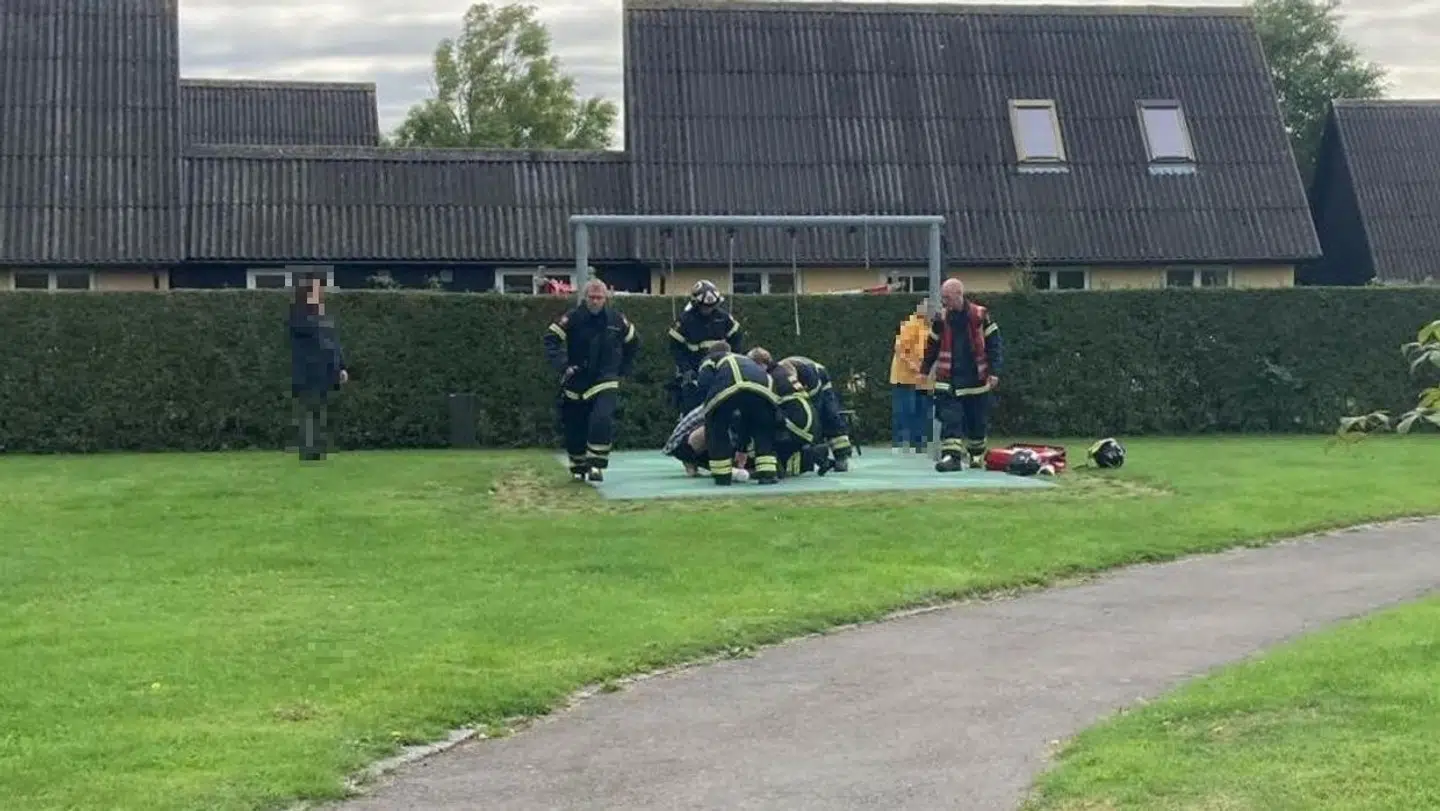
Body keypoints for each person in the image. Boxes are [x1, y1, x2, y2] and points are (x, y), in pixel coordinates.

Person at [543, 279, 640, 482]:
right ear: (585, 298)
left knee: (601, 419)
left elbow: (633, 342)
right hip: (577, 379)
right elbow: (551, 339)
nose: (595, 302)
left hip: (605, 378)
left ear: (606, 299)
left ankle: (596, 464)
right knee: (574, 425)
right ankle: (578, 466)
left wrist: (622, 368)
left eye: (599, 298)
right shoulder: (573, 317)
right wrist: (563, 365)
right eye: (592, 297)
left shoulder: (616, 319)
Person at [921, 278, 1004, 472]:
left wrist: (995, 372)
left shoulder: (980, 315)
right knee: (950, 418)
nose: (944, 302)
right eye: (943, 297)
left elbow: (994, 345)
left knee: (977, 421)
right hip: (948, 378)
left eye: (947, 297)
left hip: (976, 379)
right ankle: (952, 457)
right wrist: (924, 370)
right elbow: (932, 346)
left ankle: (976, 455)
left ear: (959, 295)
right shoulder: (940, 319)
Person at [695, 342, 779, 485]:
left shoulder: (710, 359)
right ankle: (768, 473)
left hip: (732, 385)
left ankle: (722, 476)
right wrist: (742, 447)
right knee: (762, 429)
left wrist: (709, 406)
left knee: (716, 427)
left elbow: (705, 382)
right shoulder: (745, 360)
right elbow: (745, 422)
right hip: (765, 391)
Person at [288, 277, 348, 461]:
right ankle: (309, 450)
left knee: (322, 409)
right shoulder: (298, 316)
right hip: (308, 371)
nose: (318, 295)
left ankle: (320, 447)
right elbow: (313, 336)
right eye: (313, 292)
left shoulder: (325, 318)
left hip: (326, 371)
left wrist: (342, 367)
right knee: (309, 409)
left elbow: (335, 343)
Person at [768, 351, 854, 472]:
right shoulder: (781, 374)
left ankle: (842, 455)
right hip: (805, 387)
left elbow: (814, 400)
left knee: (830, 414)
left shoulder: (809, 373)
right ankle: (817, 456)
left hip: (821, 379)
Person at [667, 280, 744, 413]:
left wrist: (734, 359)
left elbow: (737, 338)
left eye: (712, 306)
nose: (708, 309)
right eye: (705, 306)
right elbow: (675, 347)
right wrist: (686, 369)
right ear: (696, 304)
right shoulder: (685, 320)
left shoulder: (723, 318)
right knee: (692, 411)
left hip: (720, 373)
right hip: (694, 373)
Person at [889, 298, 935, 453]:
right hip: (905, 377)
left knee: (922, 412)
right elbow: (900, 350)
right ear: (919, 308)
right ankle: (901, 443)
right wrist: (915, 366)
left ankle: (919, 443)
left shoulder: (930, 327)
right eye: (927, 307)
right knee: (905, 411)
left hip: (922, 379)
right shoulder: (911, 324)